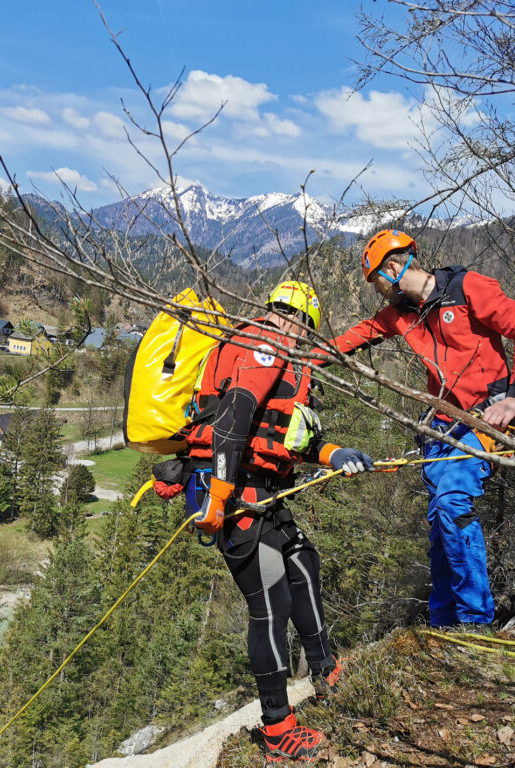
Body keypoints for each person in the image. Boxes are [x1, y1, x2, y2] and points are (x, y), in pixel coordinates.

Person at [184, 280, 374, 763]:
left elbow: (287, 439)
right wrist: (221, 499)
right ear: (297, 320)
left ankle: (324, 669)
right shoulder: (264, 346)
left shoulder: (279, 357)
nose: (300, 334)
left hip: (261, 493)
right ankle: (277, 731)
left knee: (304, 563)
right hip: (233, 496)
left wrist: (334, 454)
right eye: (302, 325)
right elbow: (233, 418)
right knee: (272, 606)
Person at [332, 230, 515, 627]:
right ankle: (444, 622)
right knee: (439, 523)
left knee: (452, 504)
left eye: (376, 281)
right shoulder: (400, 314)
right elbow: (350, 340)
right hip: (440, 430)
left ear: (392, 268)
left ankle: (476, 622)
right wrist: (296, 356)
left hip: (485, 421)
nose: (378, 292)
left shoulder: (467, 289)